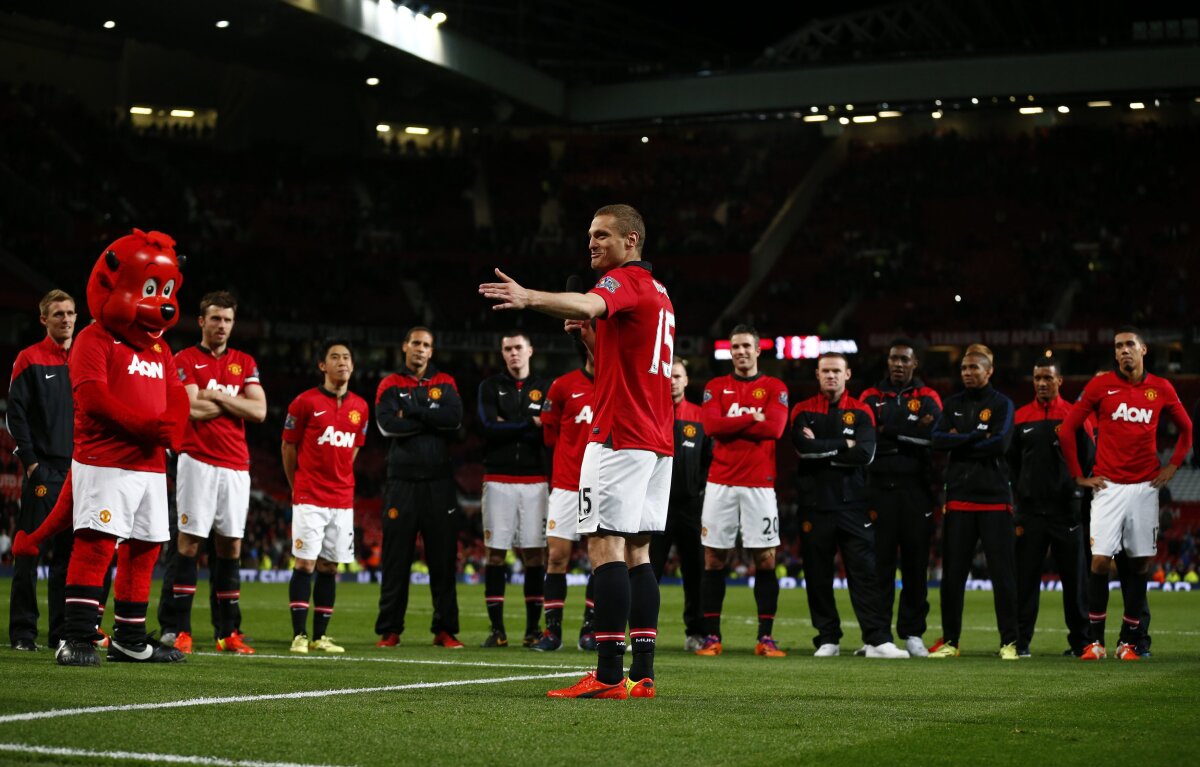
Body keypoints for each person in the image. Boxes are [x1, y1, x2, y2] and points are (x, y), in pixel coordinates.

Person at [480, 203, 673, 699]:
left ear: (631, 240)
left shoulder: (623, 280)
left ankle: (607, 675)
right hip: (656, 439)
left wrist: (528, 297)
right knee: (639, 551)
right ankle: (643, 674)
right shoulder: (659, 293)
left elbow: (589, 304)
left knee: (604, 544)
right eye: (590, 235)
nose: (592, 243)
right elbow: (620, 362)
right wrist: (591, 339)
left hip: (620, 435)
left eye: (602, 235)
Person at [1058, 327, 1192, 660]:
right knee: (1100, 561)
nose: (1123, 350)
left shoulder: (1161, 388)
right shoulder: (1100, 386)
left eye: (1130, 344)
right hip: (1108, 487)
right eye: (1118, 346)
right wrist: (1078, 476)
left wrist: (1173, 466)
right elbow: (1068, 429)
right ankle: (1095, 642)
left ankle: (1129, 642)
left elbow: (1187, 429)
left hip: (1145, 487)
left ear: (1143, 349)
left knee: (1140, 563)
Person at [163, 292, 265, 655]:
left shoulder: (244, 361)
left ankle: (227, 633)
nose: (222, 326)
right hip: (197, 460)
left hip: (236, 465)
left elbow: (259, 411)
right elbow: (191, 408)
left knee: (231, 546)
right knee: (189, 543)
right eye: (216, 319)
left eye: (228, 320)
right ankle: (181, 630)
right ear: (202, 321)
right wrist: (236, 403)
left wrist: (217, 396)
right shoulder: (185, 358)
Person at [792, 352, 908, 658]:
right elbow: (803, 450)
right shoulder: (802, 410)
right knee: (817, 575)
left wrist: (822, 449)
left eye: (836, 371)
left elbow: (866, 454)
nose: (831, 376)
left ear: (847, 374)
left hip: (853, 505)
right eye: (825, 371)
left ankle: (877, 640)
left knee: (866, 574)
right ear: (817, 375)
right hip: (814, 505)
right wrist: (846, 444)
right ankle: (828, 638)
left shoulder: (861, 410)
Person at [695, 326, 788, 658]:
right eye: (735, 347)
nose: (741, 351)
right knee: (713, 558)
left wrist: (733, 423)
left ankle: (765, 638)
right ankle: (712, 637)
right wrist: (753, 417)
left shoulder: (775, 387)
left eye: (747, 346)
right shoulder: (715, 387)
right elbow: (712, 426)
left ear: (758, 350)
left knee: (765, 558)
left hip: (759, 485)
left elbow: (775, 428)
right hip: (720, 482)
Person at [373, 327, 465, 649]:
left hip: (439, 483)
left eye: (426, 344)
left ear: (431, 350)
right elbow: (387, 425)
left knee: (443, 560)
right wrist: (431, 417)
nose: (420, 349)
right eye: (415, 343)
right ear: (405, 346)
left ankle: (445, 630)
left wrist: (411, 411)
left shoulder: (446, 381)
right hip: (401, 483)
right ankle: (390, 630)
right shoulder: (389, 383)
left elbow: (454, 420)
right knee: (395, 560)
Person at [7, 290, 85, 651]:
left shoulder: (85, 358)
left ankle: (60, 632)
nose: (66, 319)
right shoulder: (29, 358)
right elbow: (15, 414)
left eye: (70, 313)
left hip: (79, 469)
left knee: (68, 555)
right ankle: (23, 632)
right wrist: (32, 462)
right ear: (44, 319)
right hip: (44, 470)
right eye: (58, 314)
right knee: (30, 549)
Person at [930, 347, 1019, 659]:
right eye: (964, 368)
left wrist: (959, 439)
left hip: (995, 500)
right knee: (953, 576)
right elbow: (937, 439)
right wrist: (975, 437)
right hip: (959, 499)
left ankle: (1009, 642)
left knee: (1003, 575)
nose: (967, 373)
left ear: (989, 371)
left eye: (974, 368)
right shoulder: (952, 404)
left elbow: (1001, 443)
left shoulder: (1002, 404)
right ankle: (951, 642)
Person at [282, 340, 368, 654]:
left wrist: (339, 477)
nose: (342, 362)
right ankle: (299, 636)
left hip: (342, 500)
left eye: (347, 357)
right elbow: (288, 446)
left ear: (353, 365)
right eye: (335, 357)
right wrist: (297, 485)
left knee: (330, 566)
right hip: (310, 496)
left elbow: (353, 449)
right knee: (305, 563)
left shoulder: (361, 407)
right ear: (322, 365)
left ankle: (320, 637)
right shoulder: (304, 402)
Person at [860, 339, 943, 657]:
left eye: (904, 359)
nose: (898, 364)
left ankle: (912, 633)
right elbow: (868, 436)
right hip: (878, 490)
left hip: (916, 490)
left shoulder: (928, 396)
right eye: (894, 358)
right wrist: (912, 430)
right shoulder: (869, 396)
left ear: (914, 363)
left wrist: (888, 431)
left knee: (915, 565)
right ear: (888, 361)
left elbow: (933, 437)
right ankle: (878, 636)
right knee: (878, 566)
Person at [1008, 357, 1092, 657]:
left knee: (1075, 579)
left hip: (1066, 511)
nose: (1042, 383)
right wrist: (1022, 494)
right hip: (1029, 512)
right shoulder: (1020, 417)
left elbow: (1088, 458)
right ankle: (1020, 642)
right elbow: (1011, 463)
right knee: (1025, 579)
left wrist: (1074, 493)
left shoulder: (1075, 415)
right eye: (1037, 378)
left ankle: (1081, 642)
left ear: (1059, 381)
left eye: (1047, 378)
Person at [476, 332, 551, 648]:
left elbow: (548, 430)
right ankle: (498, 631)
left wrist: (506, 424)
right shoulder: (489, 386)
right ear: (502, 353)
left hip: (535, 481)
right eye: (507, 349)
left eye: (518, 347)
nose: (513, 353)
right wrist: (528, 424)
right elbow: (487, 427)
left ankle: (533, 630)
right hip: (497, 479)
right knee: (495, 554)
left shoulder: (546, 387)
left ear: (530, 350)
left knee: (535, 554)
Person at [533, 328, 597, 651]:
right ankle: (552, 632)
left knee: (601, 560)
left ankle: (591, 629)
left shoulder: (620, 384)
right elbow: (549, 437)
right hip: (567, 484)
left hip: (604, 486)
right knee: (557, 557)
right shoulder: (562, 386)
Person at [649, 357, 709, 650]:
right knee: (649, 570)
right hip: (655, 504)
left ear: (686, 380)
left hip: (690, 507)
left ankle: (695, 633)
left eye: (677, 376)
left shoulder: (701, 416)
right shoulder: (650, 412)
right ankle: (643, 632)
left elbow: (709, 459)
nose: (672, 381)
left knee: (695, 571)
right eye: (668, 376)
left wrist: (700, 491)